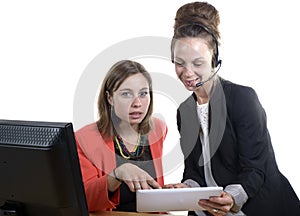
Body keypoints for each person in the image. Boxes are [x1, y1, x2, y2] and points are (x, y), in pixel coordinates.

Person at [165, 1, 300, 216]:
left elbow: (255, 169)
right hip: (213, 210)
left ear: (214, 59)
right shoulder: (185, 111)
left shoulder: (242, 98)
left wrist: (231, 197)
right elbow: (194, 170)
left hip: (262, 207)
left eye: (197, 63)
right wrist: (186, 188)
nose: (187, 72)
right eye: (180, 62)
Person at [75, 60, 167, 212]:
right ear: (110, 98)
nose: (137, 103)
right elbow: (83, 200)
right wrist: (116, 175)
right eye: (126, 94)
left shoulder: (158, 129)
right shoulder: (84, 139)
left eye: (143, 93)